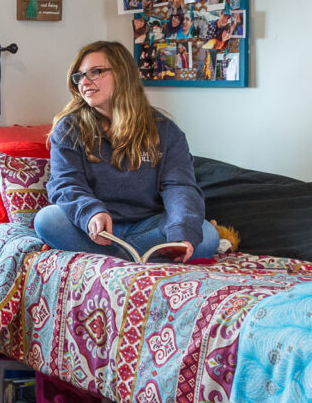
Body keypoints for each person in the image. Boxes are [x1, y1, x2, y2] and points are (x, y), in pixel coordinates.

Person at [33, 41, 222, 261]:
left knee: (207, 235)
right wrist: (91, 212)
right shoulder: (69, 128)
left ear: (123, 74)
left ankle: (119, 257)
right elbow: (66, 183)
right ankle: (141, 257)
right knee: (47, 220)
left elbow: (180, 186)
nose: (84, 82)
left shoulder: (165, 130)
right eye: (79, 75)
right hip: (96, 230)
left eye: (95, 72)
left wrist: (181, 231)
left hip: (150, 224)